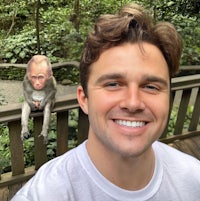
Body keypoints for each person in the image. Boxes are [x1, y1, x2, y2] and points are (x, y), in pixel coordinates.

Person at [12, 3, 200, 201]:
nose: (133, 103)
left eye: (151, 86)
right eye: (113, 84)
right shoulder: (43, 194)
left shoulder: (194, 179)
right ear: (83, 99)